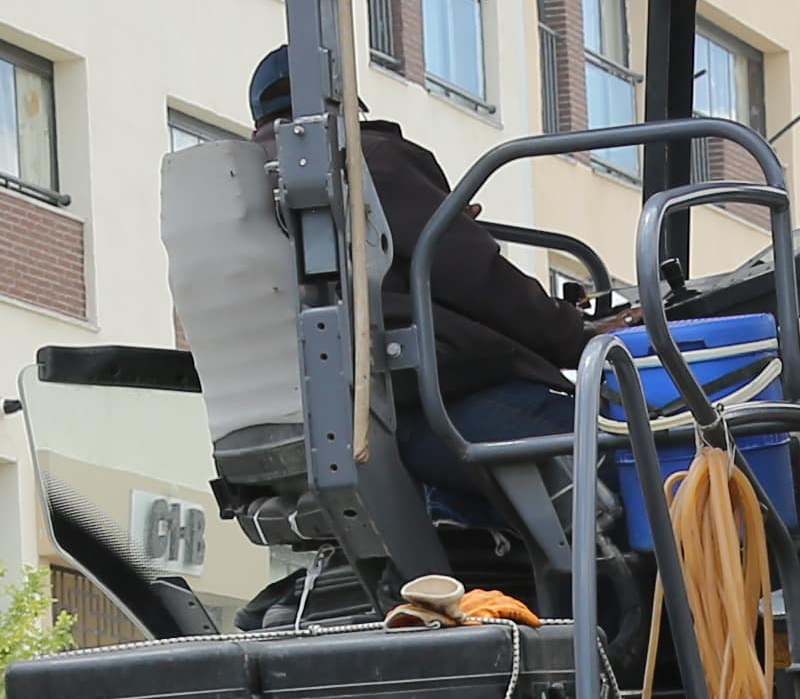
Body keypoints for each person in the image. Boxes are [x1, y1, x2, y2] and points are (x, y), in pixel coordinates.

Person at [251, 46, 590, 571]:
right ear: (342, 99)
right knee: (634, 450)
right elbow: (475, 276)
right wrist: (581, 334)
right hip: (444, 406)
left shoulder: (254, 191)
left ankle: (467, 533)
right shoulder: (369, 159)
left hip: (365, 424)